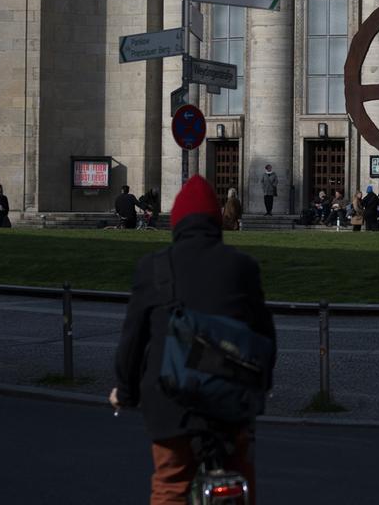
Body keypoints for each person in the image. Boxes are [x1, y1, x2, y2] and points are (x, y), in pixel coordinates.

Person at [112, 175, 276, 504]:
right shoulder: (242, 266)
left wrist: (125, 392)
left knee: (170, 483)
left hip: (170, 401)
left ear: (177, 222)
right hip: (230, 397)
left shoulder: (154, 267)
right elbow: (265, 335)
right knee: (240, 473)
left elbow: (132, 342)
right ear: (217, 221)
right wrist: (260, 386)